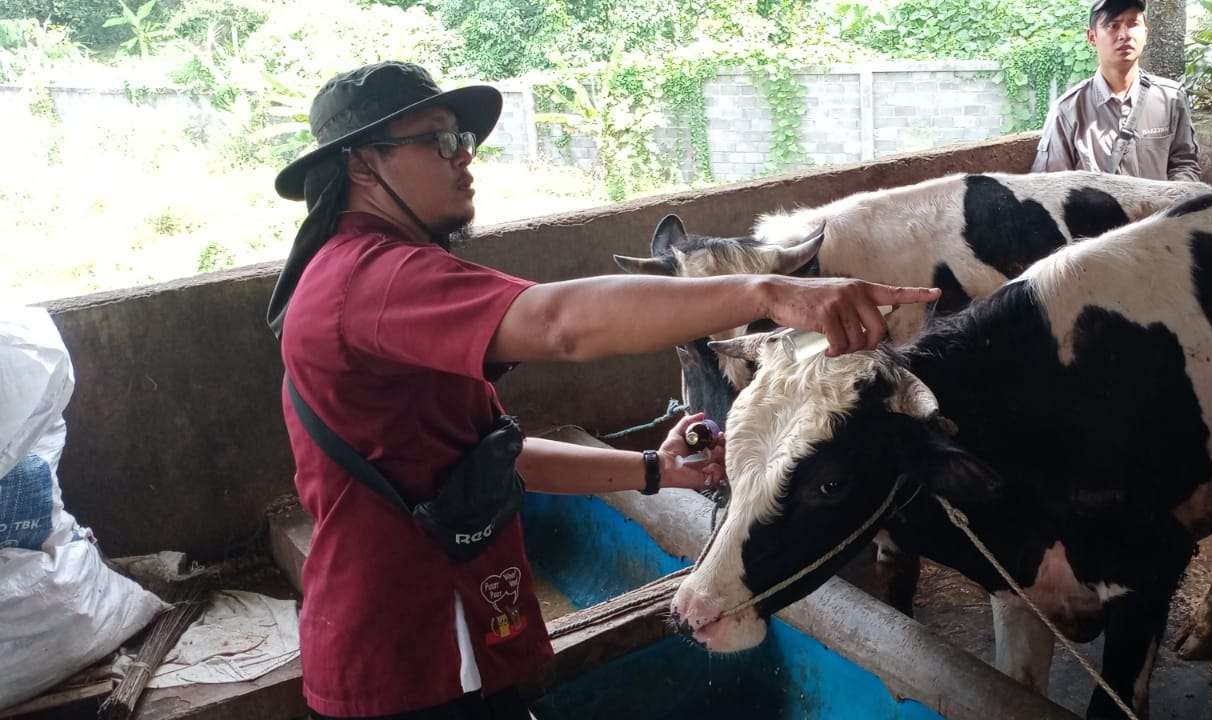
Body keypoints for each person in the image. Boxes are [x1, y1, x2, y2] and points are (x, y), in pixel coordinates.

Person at [265, 61, 939, 720]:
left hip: (445, 634)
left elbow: (485, 460)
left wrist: (654, 470)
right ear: (362, 165)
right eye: (439, 141)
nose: (464, 158)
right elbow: (560, 324)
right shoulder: (372, 278)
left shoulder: (370, 275)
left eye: (464, 140)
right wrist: (770, 290)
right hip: (415, 651)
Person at [1030, 0, 1201, 181]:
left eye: (1133, 24)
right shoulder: (1067, 110)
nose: (1124, 35)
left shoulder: (1171, 98)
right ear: (1092, 37)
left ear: (1145, 33)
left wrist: (1172, 203)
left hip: (1160, 209)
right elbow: (1051, 185)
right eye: (1113, 25)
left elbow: (1185, 165)